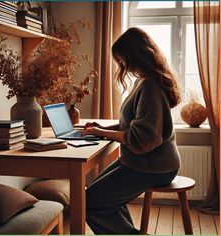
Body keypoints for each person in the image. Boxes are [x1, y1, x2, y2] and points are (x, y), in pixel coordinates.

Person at [81, 27, 181, 234]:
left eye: (124, 59)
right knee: (95, 197)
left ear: (137, 55)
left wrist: (102, 134)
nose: (123, 65)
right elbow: (133, 125)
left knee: (90, 202)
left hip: (154, 166)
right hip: (141, 161)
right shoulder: (143, 82)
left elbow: (142, 139)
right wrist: (102, 128)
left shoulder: (151, 86)